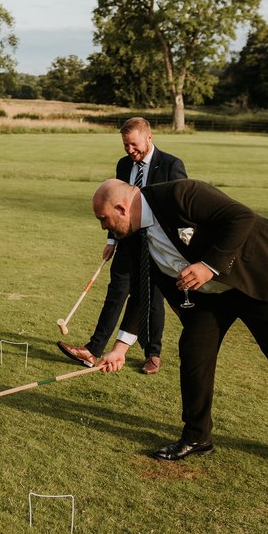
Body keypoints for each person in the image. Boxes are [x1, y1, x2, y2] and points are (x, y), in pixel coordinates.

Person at [91, 178, 268, 476]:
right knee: (194, 353)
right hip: (208, 298)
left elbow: (242, 217)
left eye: (103, 219)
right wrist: (121, 348)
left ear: (121, 209)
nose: (104, 227)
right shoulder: (132, 236)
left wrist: (208, 265)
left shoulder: (180, 194)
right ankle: (198, 436)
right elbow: (143, 288)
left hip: (254, 278)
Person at [57, 117, 187, 375]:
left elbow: (180, 208)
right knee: (116, 293)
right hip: (127, 240)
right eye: (125, 145)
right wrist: (111, 240)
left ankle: (153, 353)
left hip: (157, 244)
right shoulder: (124, 165)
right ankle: (93, 349)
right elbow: (114, 206)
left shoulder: (171, 165)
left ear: (149, 138)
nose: (130, 150)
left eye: (134, 144)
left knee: (152, 299)